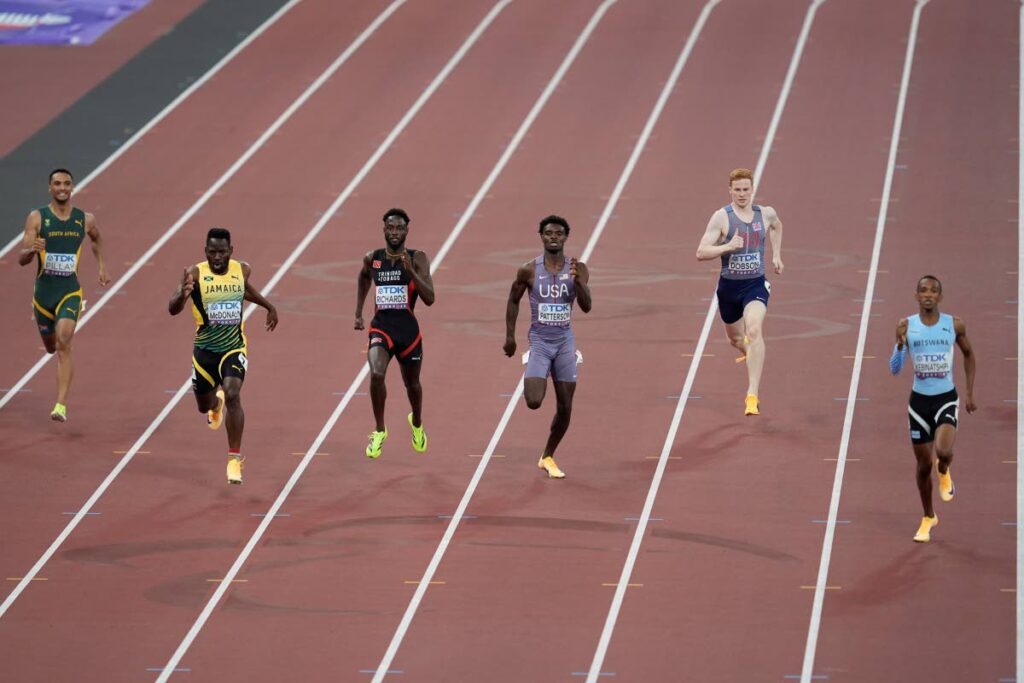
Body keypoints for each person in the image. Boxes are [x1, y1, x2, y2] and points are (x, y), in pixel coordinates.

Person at [168, 228, 278, 485]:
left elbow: (244, 290)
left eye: (222, 252)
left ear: (231, 251)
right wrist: (182, 297)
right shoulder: (194, 274)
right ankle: (214, 407)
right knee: (203, 406)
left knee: (232, 393)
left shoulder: (242, 269)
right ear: (205, 251)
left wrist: (268, 306)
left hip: (233, 348)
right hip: (204, 352)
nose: (217, 257)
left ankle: (233, 460)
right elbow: (172, 308)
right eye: (212, 252)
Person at [18, 168, 111, 422]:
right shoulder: (37, 218)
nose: (62, 188)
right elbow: (22, 259)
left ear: (72, 187)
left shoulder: (84, 219)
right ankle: (47, 331)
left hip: (70, 291)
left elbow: (97, 238)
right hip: (43, 296)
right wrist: (31, 250)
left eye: (66, 184)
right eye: (57, 183)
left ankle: (60, 405)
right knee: (50, 346)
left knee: (64, 341)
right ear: (50, 188)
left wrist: (101, 264)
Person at [504, 215, 592, 479]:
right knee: (533, 401)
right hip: (540, 343)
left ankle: (547, 456)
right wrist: (510, 337)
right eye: (548, 233)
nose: (553, 237)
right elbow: (512, 300)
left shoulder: (579, 268)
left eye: (558, 233)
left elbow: (587, 306)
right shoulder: (528, 270)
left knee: (565, 406)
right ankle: (536, 363)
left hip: (565, 342)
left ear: (566, 237)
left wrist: (578, 282)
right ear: (541, 236)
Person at [889, 275, 976, 542]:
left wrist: (969, 394)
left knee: (944, 450)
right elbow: (894, 369)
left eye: (933, 291)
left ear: (940, 296)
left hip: (946, 398)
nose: (928, 294)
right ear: (916, 296)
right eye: (923, 291)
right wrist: (900, 343)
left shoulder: (954, 325)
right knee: (923, 464)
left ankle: (945, 469)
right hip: (918, 404)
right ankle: (928, 516)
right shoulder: (907, 326)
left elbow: (969, 355)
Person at [696, 167, 783, 416]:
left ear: (753, 189)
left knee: (754, 329)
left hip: (755, 285)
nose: (742, 194)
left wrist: (776, 254)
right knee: (736, 340)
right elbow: (701, 252)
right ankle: (749, 352)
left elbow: (777, 227)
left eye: (746, 189)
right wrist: (727, 247)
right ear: (730, 191)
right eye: (737, 190)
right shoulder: (721, 218)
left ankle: (751, 395)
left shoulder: (765, 214)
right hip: (729, 289)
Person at [354, 208, 435, 459]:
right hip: (381, 328)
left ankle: (417, 423)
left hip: (409, 334)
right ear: (384, 230)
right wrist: (358, 312)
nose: (395, 233)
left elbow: (430, 298)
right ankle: (380, 430)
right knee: (377, 374)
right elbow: (364, 278)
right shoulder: (373, 258)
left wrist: (410, 271)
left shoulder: (417, 257)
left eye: (400, 228)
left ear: (407, 230)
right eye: (391, 228)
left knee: (412, 385)